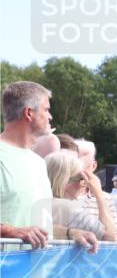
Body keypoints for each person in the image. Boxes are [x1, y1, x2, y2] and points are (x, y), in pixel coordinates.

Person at [0, 81, 63, 249]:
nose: (50, 116)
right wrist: (11, 232)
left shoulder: (39, 162)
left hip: (39, 264)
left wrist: (73, 234)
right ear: (29, 113)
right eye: (46, 110)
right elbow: (22, 229)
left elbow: (39, 226)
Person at [46, 150, 117, 241]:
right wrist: (98, 193)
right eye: (81, 178)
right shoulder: (70, 211)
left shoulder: (38, 204)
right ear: (65, 182)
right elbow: (111, 237)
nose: (84, 183)